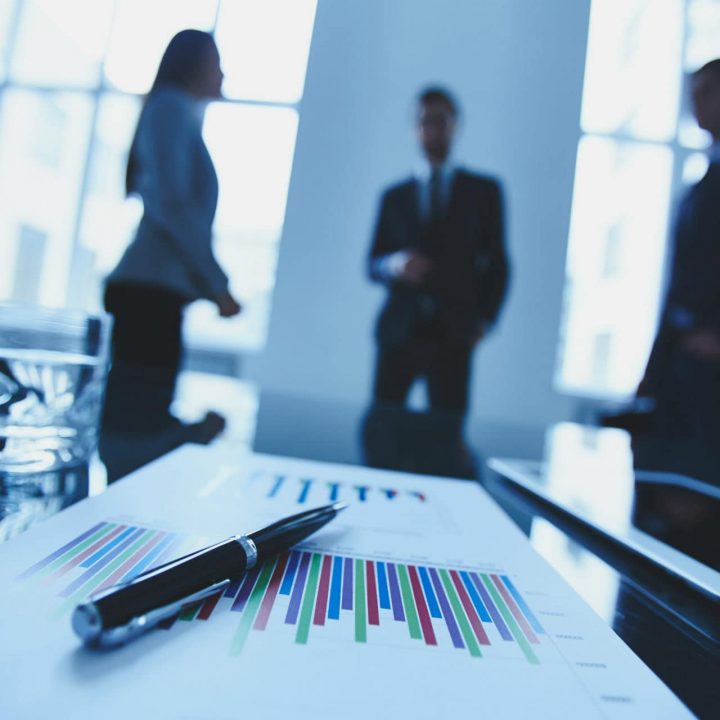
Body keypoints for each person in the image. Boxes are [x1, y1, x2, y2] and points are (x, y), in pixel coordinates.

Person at [102, 29, 241, 446]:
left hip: (154, 296)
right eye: (216, 61)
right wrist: (217, 285)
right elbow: (171, 205)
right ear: (193, 64)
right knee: (135, 429)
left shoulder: (177, 113)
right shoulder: (170, 108)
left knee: (139, 420)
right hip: (148, 297)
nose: (223, 73)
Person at [367, 86, 509, 416]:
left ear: (455, 125)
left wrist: (485, 321)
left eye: (441, 120)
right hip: (398, 332)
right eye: (425, 120)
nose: (433, 128)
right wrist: (396, 264)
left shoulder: (484, 192)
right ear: (414, 127)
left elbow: (499, 262)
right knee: (384, 429)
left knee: (446, 436)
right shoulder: (394, 196)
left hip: (454, 334)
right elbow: (372, 263)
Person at [637, 59, 720, 470]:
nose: (695, 101)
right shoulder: (702, 182)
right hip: (680, 361)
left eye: (706, 91)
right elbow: (679, 283)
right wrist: (654, 365)